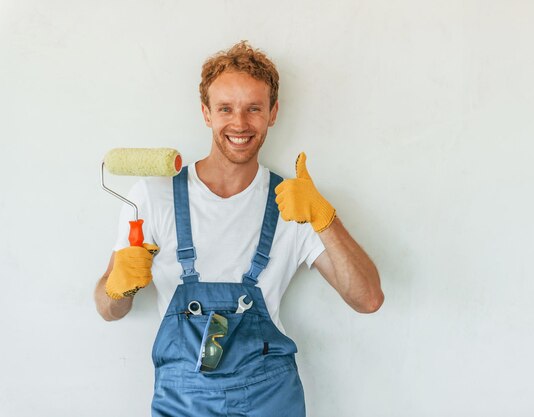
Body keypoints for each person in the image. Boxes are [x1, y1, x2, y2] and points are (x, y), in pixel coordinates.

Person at [94, 40, 383, 416]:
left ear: (273, 113)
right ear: (206, 113)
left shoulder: (293, 202)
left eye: (254, 109)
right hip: (182, 400)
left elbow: (368, 299)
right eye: (226, 108)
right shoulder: (152, 197)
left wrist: (325, 219)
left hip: (269, 398)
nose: (240, 123)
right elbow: (107, 310)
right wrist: (119, 286)